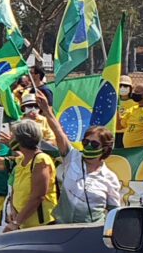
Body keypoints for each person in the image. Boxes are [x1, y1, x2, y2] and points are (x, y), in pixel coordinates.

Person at [39, 96, 121, 224]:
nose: (88, 146)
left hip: (89, 232)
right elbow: (59, 133)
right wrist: (47, 111)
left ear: (105, 149)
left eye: (94, 144)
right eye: (85, 142)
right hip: (61, 226)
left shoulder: (110, 178)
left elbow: (114, 211)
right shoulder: (71, 157)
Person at [0, 120, 58, 232]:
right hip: (22, 224)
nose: (9, 137)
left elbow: (38, 197)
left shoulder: (41, 160)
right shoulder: (20, 160)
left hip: (39, 226)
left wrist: (16, 222)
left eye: (12, 135)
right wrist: (13, 211)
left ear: (21, 139)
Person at [118, 83, 143, 149]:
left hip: (142, 150)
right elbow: (120, 126)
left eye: (137, 92)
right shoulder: (132, 109)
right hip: (128, 150)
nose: (134, 94)